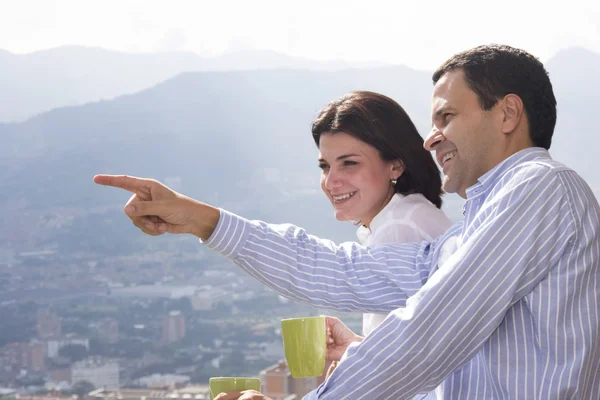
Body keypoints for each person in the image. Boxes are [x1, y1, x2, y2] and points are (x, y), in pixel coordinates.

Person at [94, 44, 600, 399]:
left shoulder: (539, 188)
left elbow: (424, 338)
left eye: (446, 117)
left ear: (507, 114)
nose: (431, 137)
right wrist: (203, 220)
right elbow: (346, 271)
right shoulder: (482, 222)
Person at [312, 91, 452, 341]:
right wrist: (354, 347)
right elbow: (412, 347)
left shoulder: (399, 228)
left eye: (349, 163)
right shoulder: (411, 214)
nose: (331, 181)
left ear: (395, 165)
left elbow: (397, 368)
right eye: (325, 166)